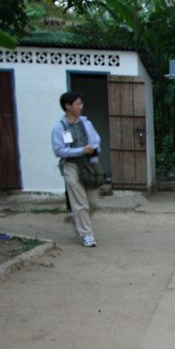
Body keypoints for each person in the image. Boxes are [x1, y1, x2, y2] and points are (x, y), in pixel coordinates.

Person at [51, 91, 102, 247]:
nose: (81, 106)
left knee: (93, 202)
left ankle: (76, 216)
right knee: (80, 203)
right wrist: (81, 150)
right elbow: (59, 150)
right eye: (78, 104)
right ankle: (86, 234)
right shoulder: (59, 128)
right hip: (71, 166)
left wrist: (94, 149)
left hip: (88, 165)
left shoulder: (86, 123)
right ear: (68, 106)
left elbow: (96, 139)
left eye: (81, 103)